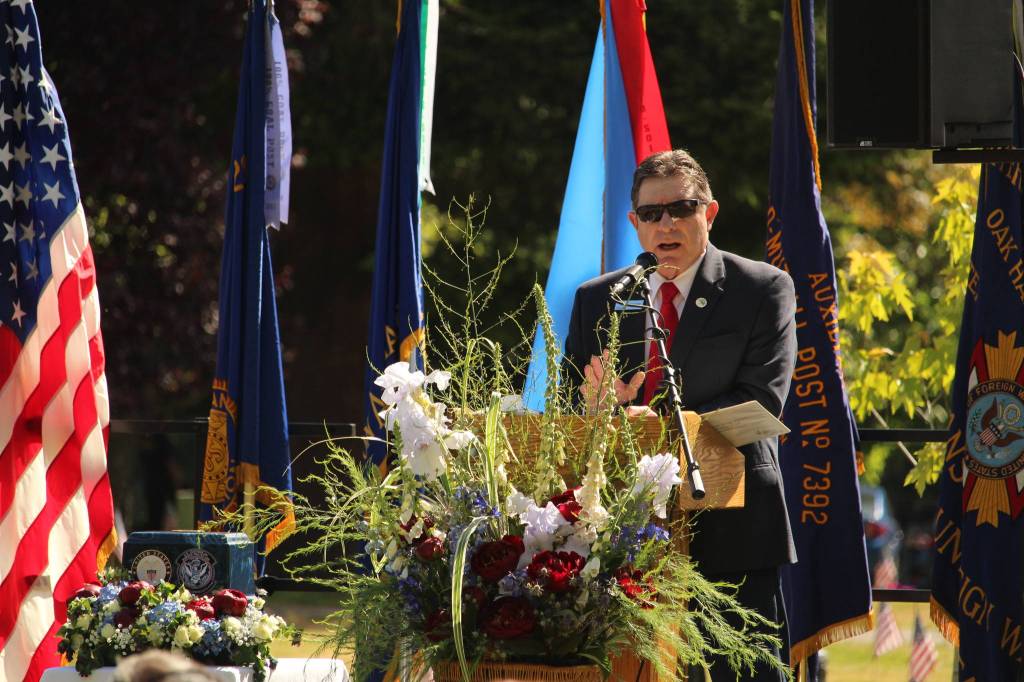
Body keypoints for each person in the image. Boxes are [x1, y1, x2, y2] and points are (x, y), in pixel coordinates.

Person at [561, 149, 797, 681]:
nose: (666, 224)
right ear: (635, 224)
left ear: (708, 214)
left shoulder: (760, 289)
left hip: (733, 522)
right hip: (624, 535)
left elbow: (761, 399)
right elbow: (569, 410)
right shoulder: (598, 299)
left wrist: (649, 421)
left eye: (681, 208)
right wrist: (596, 411)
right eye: (651, 214)